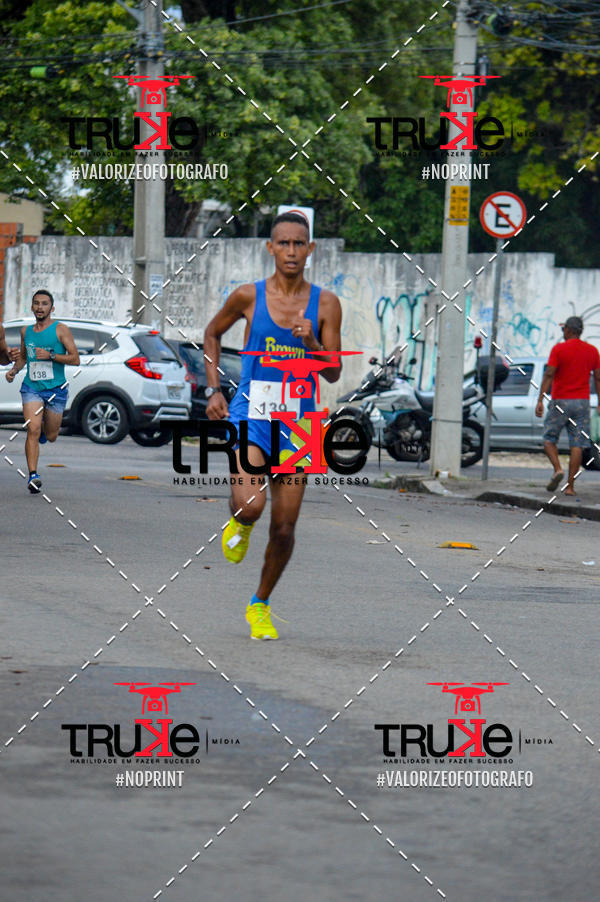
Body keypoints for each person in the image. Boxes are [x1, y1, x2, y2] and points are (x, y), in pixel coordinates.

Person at [203, 212, 342, 639]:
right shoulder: (248, 296)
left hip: (299, 422)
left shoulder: (327, 304)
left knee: (284, 526)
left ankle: (259, 604)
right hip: (252, 412)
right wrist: (214, 389)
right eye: (284, 243)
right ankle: (239, 523)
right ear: (270, 248)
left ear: (311, 249)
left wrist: (312, 343)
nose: (292, 252)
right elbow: (211, 334)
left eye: (299, 244)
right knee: (252, 505)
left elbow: (333, 372)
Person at [5, 290, 79, 493]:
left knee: (52, 435)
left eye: (44, 304)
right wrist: (13, 370)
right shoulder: (25, 331)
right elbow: (23, 357)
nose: (40, 307)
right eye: (36, 303)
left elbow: (75, 358)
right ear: (32, 307)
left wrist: (51, 355)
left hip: (56, 390)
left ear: (51, 308)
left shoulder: (61, 330)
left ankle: (46, 433)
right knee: (32, 429)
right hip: (32, 388)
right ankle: (33, 476)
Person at [535, 315, 600, 495]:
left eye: (564, 329)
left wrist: (540, 399)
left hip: (560, 401)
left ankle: (558, 469)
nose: (563, 332)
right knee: (577, 444)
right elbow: (598, 377)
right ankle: (570, 487)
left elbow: (549, 374)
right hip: (582, 402)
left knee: (549, 439)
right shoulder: (592, 351)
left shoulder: (559, 349)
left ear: (569, 330)